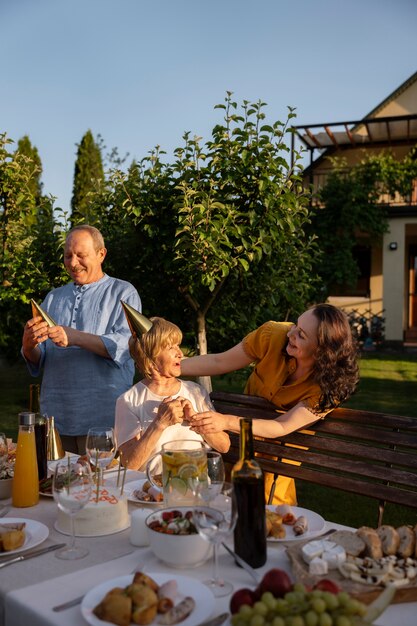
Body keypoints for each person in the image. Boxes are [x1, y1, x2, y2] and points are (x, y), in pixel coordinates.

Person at [181, 303, 359, 505]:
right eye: (295, 325)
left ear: (321, 352)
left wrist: (226, 421)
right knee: (224, 503)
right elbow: (219, 362)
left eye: (301, 335)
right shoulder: (274, 334)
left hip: (279, 455)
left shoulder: (330, 387)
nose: (291, 334)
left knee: (272, 516)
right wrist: (173, 367)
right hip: (238, 441)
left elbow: (282, 425)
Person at [21, 225, 141, 454]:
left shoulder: (123, 292)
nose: (73, 263)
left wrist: (74, 336)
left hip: (103, 418)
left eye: (81, 255)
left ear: (101, 254)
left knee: (98, 486)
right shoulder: (54, 297)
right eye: (68, 256)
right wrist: (29, 346)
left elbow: (126, 347)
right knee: (53, 485)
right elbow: (40, 357)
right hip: (55, 417)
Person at [115, 316, 230, 471]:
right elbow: (129, 464)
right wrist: (159, 424)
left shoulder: (195, 391)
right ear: (150, 356)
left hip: (195, 486)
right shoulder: (129, 401)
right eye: (171, 347)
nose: (179, 354)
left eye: (178, 346)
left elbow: (224, 445)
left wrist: (195, 419)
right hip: (153, 489)